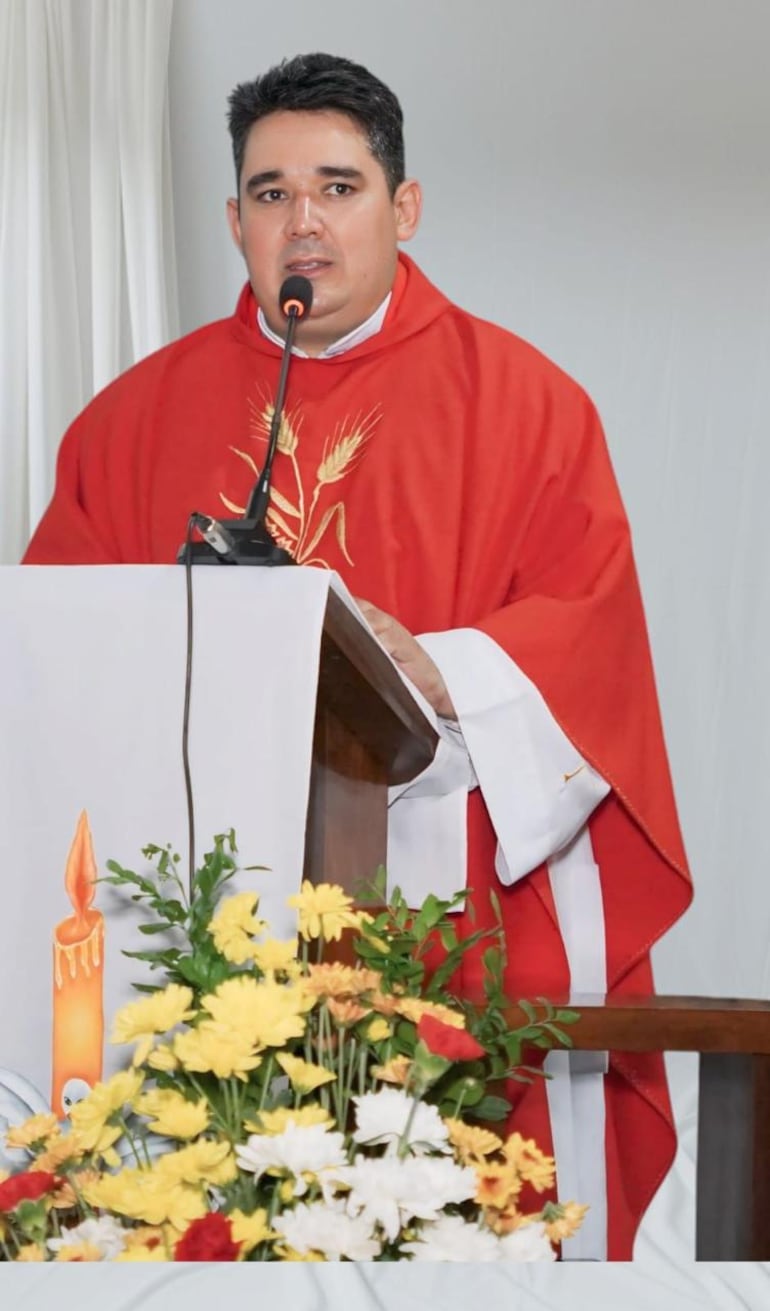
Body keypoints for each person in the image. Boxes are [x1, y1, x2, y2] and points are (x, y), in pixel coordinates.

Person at [23, 52, 692, 1259]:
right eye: (271, 193)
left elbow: (585, 633)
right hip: (198, 929)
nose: (305, 222)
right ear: (234, 222)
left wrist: (437, 670)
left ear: (404, 205)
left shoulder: (526, 406)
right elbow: (54, 666)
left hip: (450, 917)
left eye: (337, 185)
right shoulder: (129, 422)